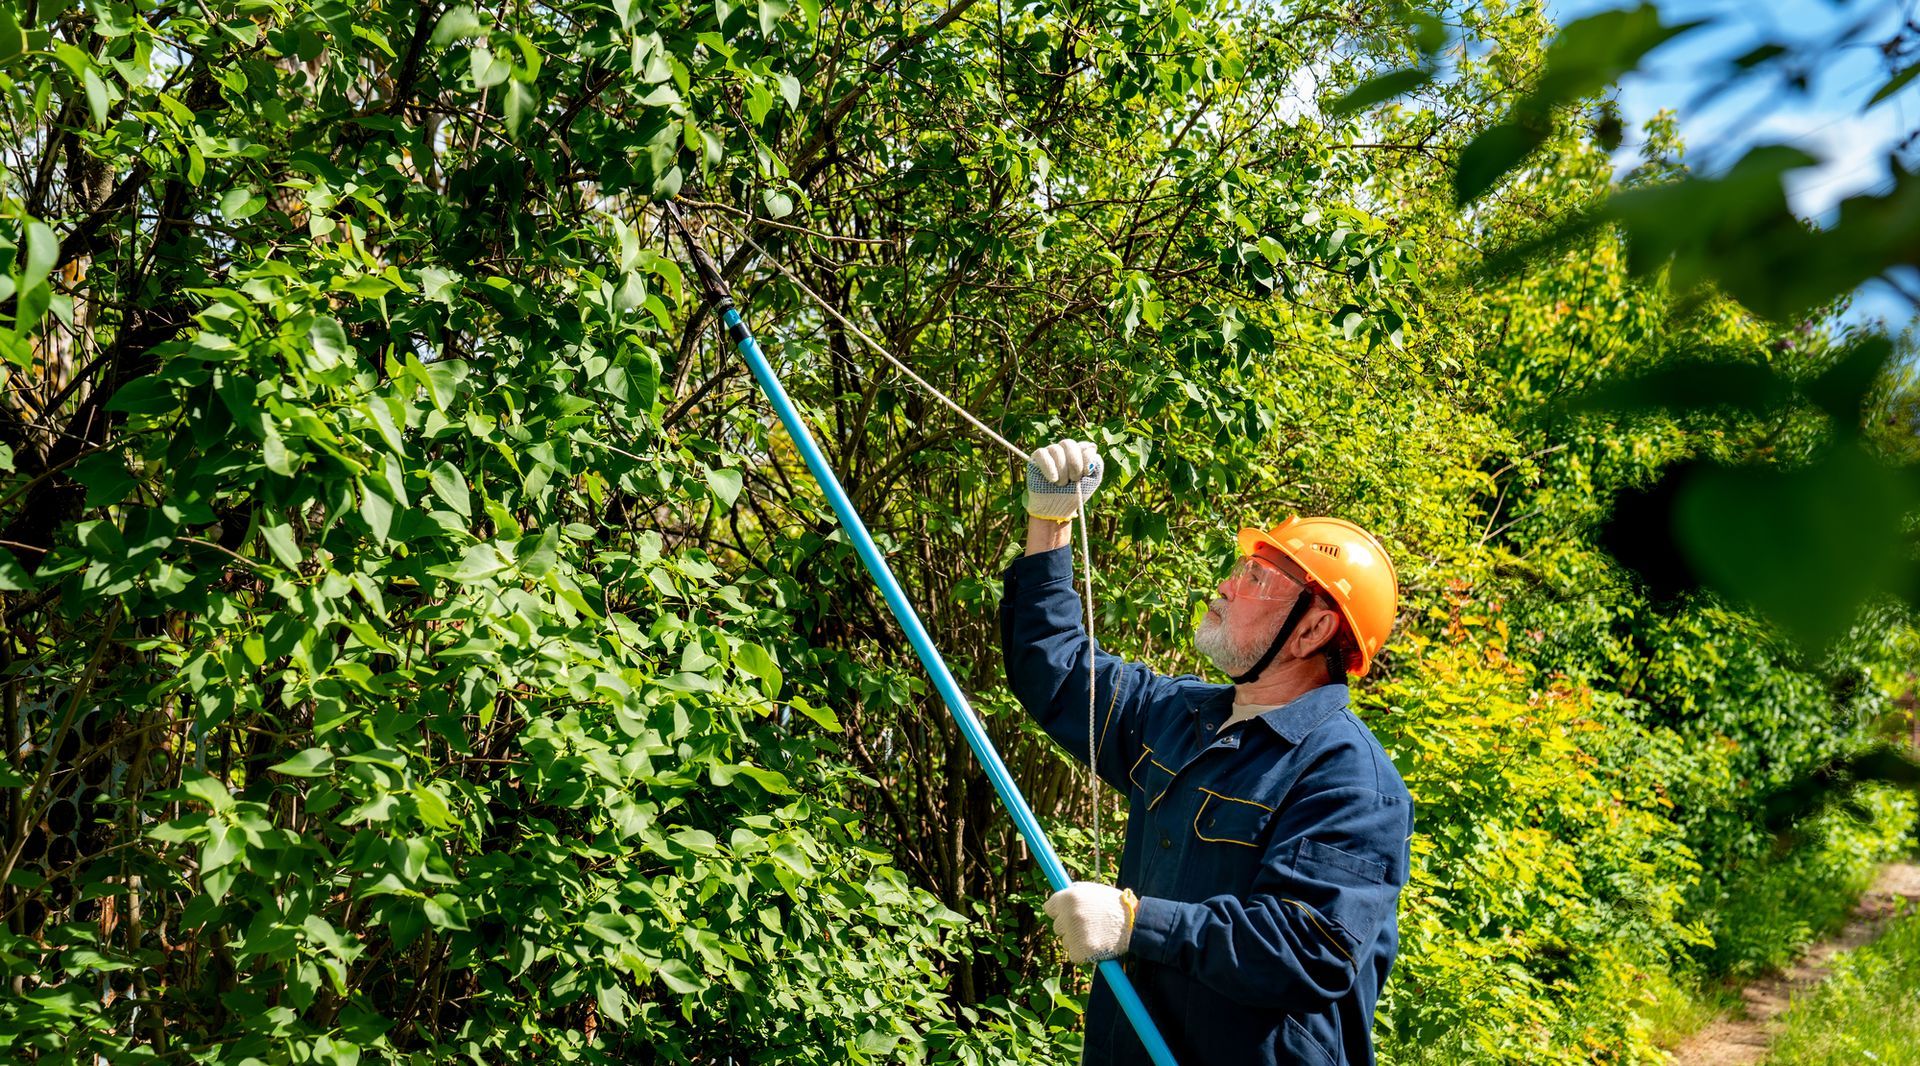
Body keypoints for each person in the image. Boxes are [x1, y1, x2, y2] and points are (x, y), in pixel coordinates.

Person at [1001, 439, 1414, 1066]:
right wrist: (1049, 523)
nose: (1225, 582)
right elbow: (1057, 675)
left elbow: (1309, 949)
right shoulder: (1181, 715)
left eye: (1255, 577)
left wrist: (1136, 923)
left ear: (1311, 628)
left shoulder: (1350, 780)